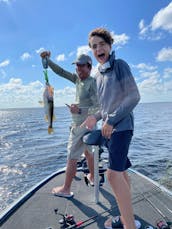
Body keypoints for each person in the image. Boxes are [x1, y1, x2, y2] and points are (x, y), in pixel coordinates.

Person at [81, 28, 141, 229]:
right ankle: (126, 217)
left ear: (110, 45)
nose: (98, 48)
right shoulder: (98, 76)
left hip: (122, 128)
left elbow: (134, 96)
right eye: (94, 46)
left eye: (102, 44)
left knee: (112, 174)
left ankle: (129, 225)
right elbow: (104, 108)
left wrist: (111, 120)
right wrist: (94, 117)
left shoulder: (120, 66)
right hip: (109, 129)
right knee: (121, 172)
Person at [40, 51, 99, 197]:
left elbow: (98, 106)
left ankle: (66, 189)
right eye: (76, 66)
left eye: (81, 66)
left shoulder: (92, 83)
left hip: (82, 126)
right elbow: (60, 72)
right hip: (87, 126)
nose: (78, 69)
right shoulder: (77, 80)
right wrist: (47, 60)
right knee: (88, 153)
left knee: (72, 156)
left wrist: (79, 110)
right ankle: (93, 177)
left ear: (89, 67)